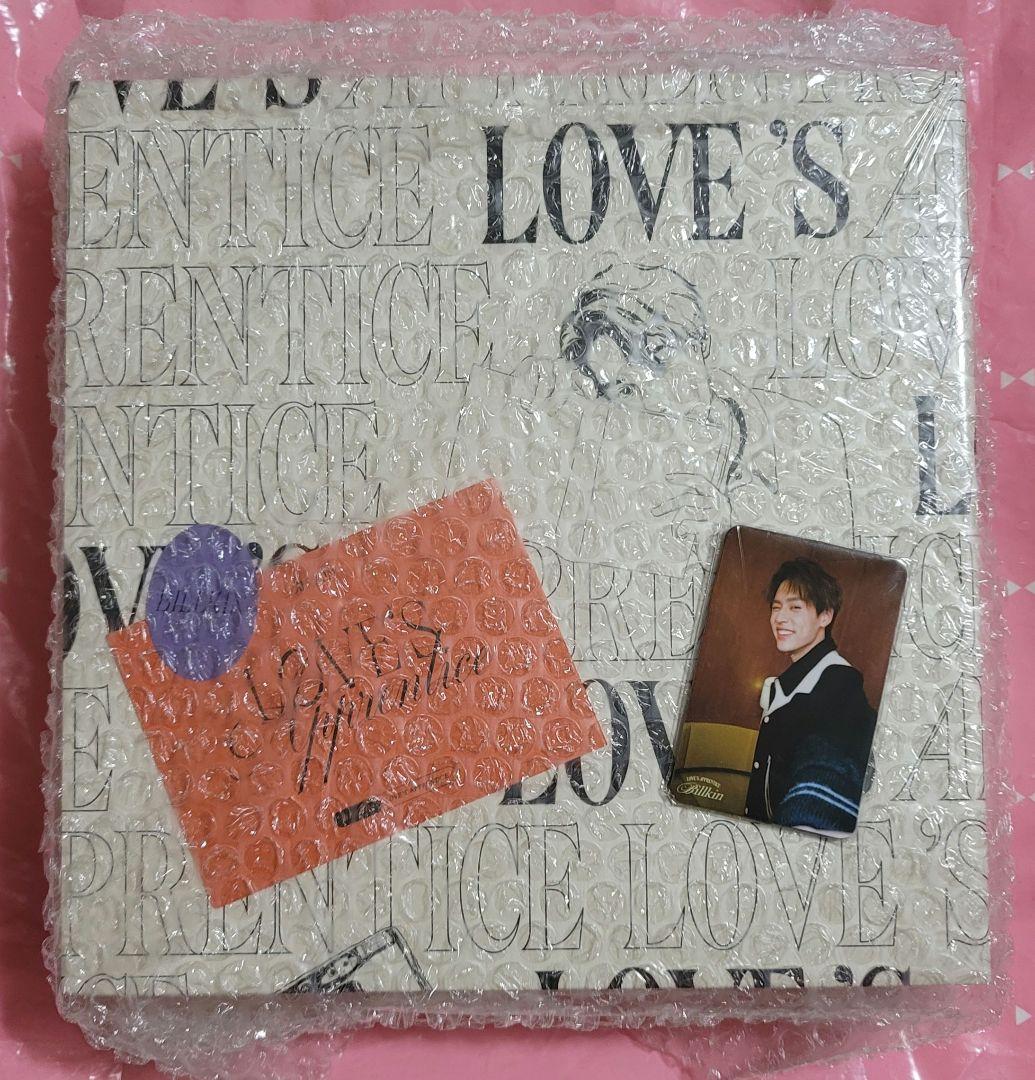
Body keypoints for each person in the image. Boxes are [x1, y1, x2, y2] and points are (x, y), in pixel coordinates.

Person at [745, 557, 876, 836]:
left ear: (825, 616)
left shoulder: (839, 682)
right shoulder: (788, 682)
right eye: (776, 607)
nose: (780, 618)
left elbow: (830, 764)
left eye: (795, 607)